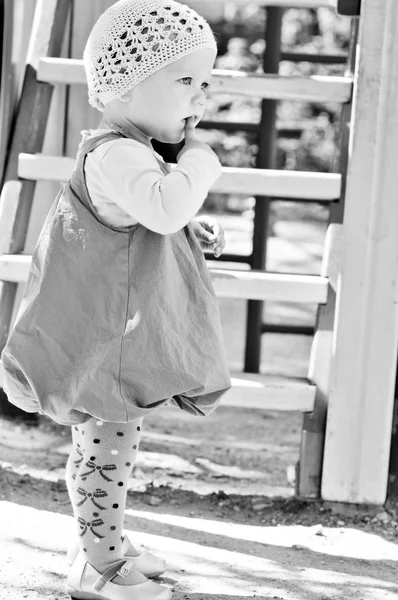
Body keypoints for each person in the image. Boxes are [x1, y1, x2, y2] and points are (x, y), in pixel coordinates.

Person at [1, 0, 231, 598]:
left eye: (204, 84)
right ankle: (102, 568)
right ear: (124, 86)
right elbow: (164, 205)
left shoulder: (131, 152)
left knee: (101, 449)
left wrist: (189, 229)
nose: (198, 99)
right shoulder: (115, 152)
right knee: (110, 450)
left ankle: (97, 542)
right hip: (106, 340)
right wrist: (202, 163)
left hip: (110, 331)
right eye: (185, 81)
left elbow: (152, 220)